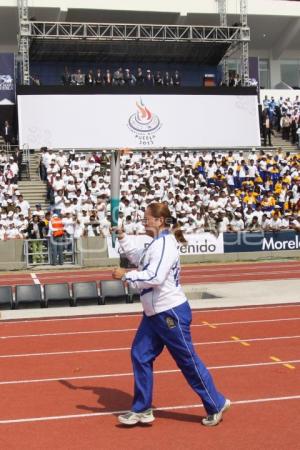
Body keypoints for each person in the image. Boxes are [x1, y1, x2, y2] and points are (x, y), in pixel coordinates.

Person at [112, 202, 230, 427]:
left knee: (187, 361)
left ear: (159, 221)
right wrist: (122, 238)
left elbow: (155, 277)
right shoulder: (154, 244)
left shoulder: (165, 244)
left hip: (170, 312)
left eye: (147, 218)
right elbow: (139, 257)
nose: (144, 221)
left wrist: (126, 276)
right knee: (140, 355)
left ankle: (216, 403)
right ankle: (142, 408)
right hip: (154, 313)